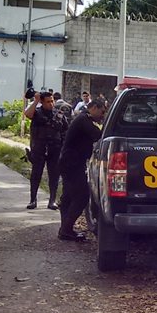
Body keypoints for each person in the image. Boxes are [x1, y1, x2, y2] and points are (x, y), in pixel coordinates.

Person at [56, 97, 107, 241]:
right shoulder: (83, 120)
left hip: (70, 162)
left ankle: (65, 229)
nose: (102, 116)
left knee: (67, 197)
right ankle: (66, 229)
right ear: (94, 108)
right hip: (72, 164)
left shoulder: (84, 119)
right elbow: (99, 135)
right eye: (102, 112)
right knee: (82, 197)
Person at [22, 90, 69, 210]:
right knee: (36, 174)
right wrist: (36, 100)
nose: (51, 104)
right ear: (42, 102)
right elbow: (27, 114)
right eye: (48, 102)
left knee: (54, 175)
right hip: (39, 147)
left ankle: (52, 200)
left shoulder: (58, 114)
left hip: (55, 147)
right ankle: (33, 200)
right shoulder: (37, 113)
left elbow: (65, 131)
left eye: (52, 101)